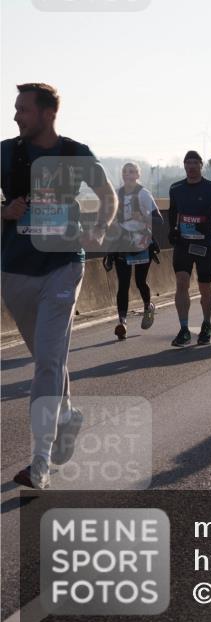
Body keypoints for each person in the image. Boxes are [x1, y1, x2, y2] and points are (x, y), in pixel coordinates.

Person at [2, 82, 117, 489]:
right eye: (15, 108)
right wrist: (5, 210)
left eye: (24, 109)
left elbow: (108, 195)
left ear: (49, 113)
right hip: (15, 272)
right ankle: (67, 415)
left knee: (49, 362)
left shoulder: (74, 154)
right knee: (47, 361)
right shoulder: (6, 152)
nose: (16, 115)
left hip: (63, 268)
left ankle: (39, 462)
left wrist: (100, 227)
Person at [167, 150, 211, 346]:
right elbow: (172, 212)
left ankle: (206, 324)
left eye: (195, 162)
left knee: (205, 288)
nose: (191, 166)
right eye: (188, 163)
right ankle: (184, 329)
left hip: (205, 245)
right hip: (183, 244)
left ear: (201, 166)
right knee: (181, 283)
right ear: (184, 166)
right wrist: (173, 230)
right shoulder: (176, 188)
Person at [109, 162, 163, 339]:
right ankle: (122, 322)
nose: (128, 174)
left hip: (141, 243)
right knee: (123, 283)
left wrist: (144, 216)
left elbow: (159, 220)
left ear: (137, 175)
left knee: (140, 281)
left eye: (132, 171)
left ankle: (148, 306)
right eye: (125, 171)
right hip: (122, 242)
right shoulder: (117, 194)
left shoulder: (143, 193)